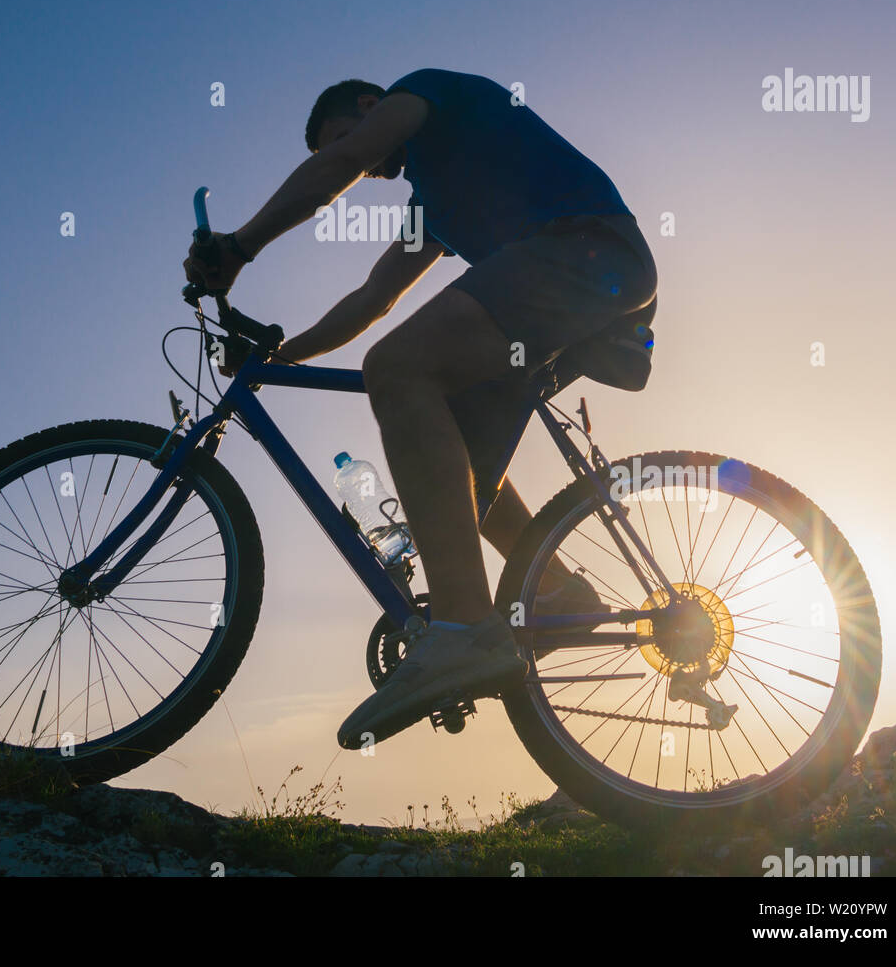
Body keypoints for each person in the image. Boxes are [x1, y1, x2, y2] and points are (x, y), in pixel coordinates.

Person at [183, 69, 658, 749]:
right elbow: (374, 298)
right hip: (571, 285)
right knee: (450, 466)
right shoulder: (431, 206)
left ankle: (465, 627)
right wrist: (286, 356)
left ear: (373, 107)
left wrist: (239, 245)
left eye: (344, 138)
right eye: (340, 148)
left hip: (584, 254)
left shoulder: (427, 90)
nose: (359, 162)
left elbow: (340, 166)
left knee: (396, 367)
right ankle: (559, 593)